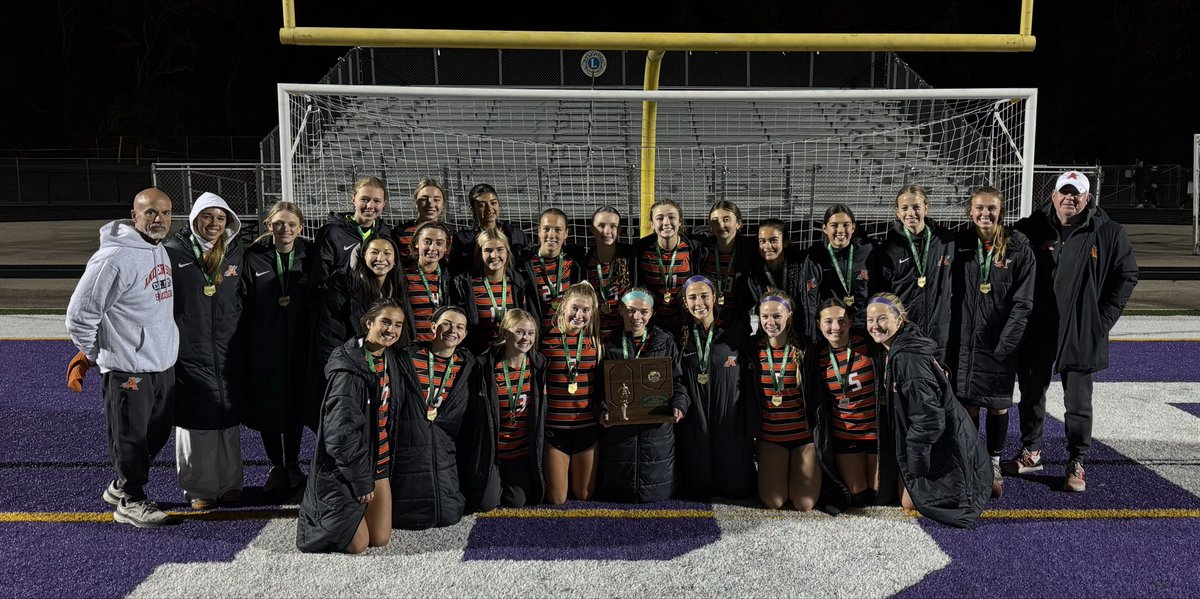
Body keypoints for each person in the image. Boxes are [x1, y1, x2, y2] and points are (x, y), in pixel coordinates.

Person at [1005, 171, 1139, 492]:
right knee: (1032, 393)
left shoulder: (1107, 232)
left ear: (1087, 198)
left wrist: (1101, 321)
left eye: (1076, 194)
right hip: (1038, 327)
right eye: (1064, 192)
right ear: (1053, 195)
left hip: (1080, 330)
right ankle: (1031, 451)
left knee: (1078, 402)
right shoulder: (1030, 229)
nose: (1070, 198)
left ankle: (1076, 461)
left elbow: (1127, 275)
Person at [65, 188, 178, 528]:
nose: (158, 219)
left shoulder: (159, 249)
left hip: (161, 363)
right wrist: (101, 356)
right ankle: (131, 499)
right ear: (135, 216)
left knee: (155, 434)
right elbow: (79, 315)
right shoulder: (112, 258)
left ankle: (120, 485)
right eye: (150, 213)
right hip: (129, 367)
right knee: (130, 436)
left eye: (165, 212)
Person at [865, 293, 992, 528]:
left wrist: (916, 464)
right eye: (870, 320)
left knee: (910, 501)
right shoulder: (900, 345)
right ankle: (980, 477)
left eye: (882, 319)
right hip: (948, 434)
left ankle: (979, 481)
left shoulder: (906, 358)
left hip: (943, 441)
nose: (875, 326)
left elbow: (929, 418)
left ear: (899, 319)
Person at [947, 187, 1035, 498]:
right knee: (969, 402)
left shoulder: (1018, 247)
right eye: (979, 208)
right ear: (970, 212)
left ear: (1002, 211)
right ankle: (973, 460)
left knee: (998, 405)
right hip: (966, 341)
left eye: (992, 208)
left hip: (1000, 341)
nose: (986, 214)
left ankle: (994, 461)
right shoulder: (959, 245)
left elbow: (1024, 302)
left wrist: (1007, 342)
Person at [296, 298, 403, 554]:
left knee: (380, 538)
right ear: (368, 323)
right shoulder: (349, 371)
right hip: (344, 470)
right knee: (358, 545)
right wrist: (360, 480)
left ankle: (352, 516)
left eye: (398, 325)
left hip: (378, 461)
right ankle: (315, 518)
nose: (392, 330)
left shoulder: (389, 359)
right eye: (385, 322)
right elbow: (339, 435)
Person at [163, 192, 245, 510]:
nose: (214, 224)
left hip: (227, 349)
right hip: (189, 349)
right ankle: (199, 488)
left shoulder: (236, 252)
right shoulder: (172, 252)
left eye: (220, 218)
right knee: (196, 421)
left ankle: (229, 483)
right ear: (195, 218)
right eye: (207, 217)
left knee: (227, 419)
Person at [237, 201, 313, 494]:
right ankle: (276, 466)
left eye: (292, 224)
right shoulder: (252, 257)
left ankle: (293, 463)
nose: (285, 229)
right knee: (268, 404)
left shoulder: (309, 255)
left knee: (295, 404)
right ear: (268, 225)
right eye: (279, 223)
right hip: (263, 344)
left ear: (300, 228)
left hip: (298, 343)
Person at [391, 305, 485, 529]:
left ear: (464, 335)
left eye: (460, 327)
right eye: (446, 323)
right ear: (432, 326)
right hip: (409, 445)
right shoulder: (405, 358)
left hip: (444, 449)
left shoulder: (468, 367)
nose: (453, 330)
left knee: (448, 514)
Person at [596, 288, 687, 503]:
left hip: (656, 439)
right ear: (620, 310)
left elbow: (679, 383)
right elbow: (599, 390)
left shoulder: (665, 343)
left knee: (656, 501)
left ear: (652, 312)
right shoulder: (609, 345)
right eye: (631, 311)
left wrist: (679, 405)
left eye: (644, 312)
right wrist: (601, 410)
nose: (637, 317)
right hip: (620, 440)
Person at [307, 236, 407, 431]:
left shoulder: (397, 289)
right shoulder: (340, 288)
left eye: (387, 253)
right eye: (374, 252)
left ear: (395, 261)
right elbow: (329, 339)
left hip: (384, 372)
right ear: (362, 257)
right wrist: (342, 378)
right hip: (353, 375)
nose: (381, 258)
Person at [674, 275, 756, 500]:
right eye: (692, 297)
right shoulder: (680, 336)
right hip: (695, 418)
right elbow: (677, 379)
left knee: (737, 490)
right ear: (684, 302)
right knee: (697, 490)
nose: (698, 302)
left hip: (730, 416)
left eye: (704, 296)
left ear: (716, 298)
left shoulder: (735, 330)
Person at [747, 293, 823, 512]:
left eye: (777, 316)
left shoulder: (805, 348)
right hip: (772, 438)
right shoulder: (753, 350)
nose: (770, 322)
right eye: (765, 316)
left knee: (804, 503)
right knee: (774, 502)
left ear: (789, 316)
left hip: (803, 437)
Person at [475, 309, 548, 510]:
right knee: (486, 504)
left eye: (531, 333)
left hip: (520, 454)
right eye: (520, 332)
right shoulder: (487, 367)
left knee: (517, 502)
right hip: (494, 453)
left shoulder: (538, 366)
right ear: (505, 334)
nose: (526, 338)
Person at [540, 282, 603, 504]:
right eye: (575, 308)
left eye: (586, 310)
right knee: (557, 499)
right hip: (555, 430)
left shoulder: (595, 342)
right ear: (563, 306)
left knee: (584, 495)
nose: (579, 314)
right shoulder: (545, 340)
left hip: (586, 428)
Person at [876, 185, 955, 362]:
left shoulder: (946, 241)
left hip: (941, 333)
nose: (911, 213)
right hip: (905, 332)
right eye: (904, 208)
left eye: (916, 207)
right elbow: (883, 295)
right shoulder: (888, 249)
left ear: (927, 208)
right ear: (897, 212)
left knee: (940, 384)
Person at [815, 298, 881, 508]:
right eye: (828, 321)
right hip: (845, 435)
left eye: (842, 321)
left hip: (875, 432)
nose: (836, 327)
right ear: (819, 324)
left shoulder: (870, 344)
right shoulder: (817, 356)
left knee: (879, 495)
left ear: (851, 322)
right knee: (858, 498)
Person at [448, 228, 536, 355]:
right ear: (479, 254)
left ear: (507, 252)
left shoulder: (520, 284)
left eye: (500, 250)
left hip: (512, 355)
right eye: (488, 250)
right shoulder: (465, 285)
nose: (494, 256)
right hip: (479, 357)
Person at [800, 205, 876, 344]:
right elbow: (811, 299)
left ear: (853, 227)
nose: (840, 230)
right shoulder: (815, 255)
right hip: (833, 330)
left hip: (864, 327)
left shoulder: (869, 250)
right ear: (825, 228)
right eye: (834, 225)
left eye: (845, 225)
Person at [310, 176, 393, 289]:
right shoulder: (332, 231)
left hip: (373, 301)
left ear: (384, 204)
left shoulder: (385, 232)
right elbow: (319, 275)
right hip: (340, 302)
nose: (370, 206)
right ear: (353, 199)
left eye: (377, 201)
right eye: (364, 199)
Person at [633, 199, 698, 331]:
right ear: (652, 224)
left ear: (680, 222)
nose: (666, 222)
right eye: (660, 218)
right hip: (652, 323)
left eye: (671, 217)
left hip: (685, 321)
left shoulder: (694, 249)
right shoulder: (640, 250)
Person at [522, 208, 584, 333]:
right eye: (546, 229)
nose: (551, 235)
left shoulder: (576, 262)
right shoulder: (524, 265)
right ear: (538, 231)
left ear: (566, 233)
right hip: (539, 337)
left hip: (569, 334)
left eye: (558, 230)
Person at [452, 183, 531, 269]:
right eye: (481, 205)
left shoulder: (514, 234)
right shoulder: (463, 238)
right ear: (472, 209)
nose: (489, 209)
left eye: (493, 203)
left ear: (499, 205)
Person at [584, 206, 635, 338]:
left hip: (624, 336)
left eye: (613, 226)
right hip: (593, 335)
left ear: (619, 230)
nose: (607, 231)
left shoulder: (631, 260)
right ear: (592, 230)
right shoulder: (583, 263)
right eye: (601, 225)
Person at [699, 201, 755, 316]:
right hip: (707, 319)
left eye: (726, 219)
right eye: (715, 221)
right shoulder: (702, 250)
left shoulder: (750, 251)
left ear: (738, 223)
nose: (721, 225)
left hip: (737, 321)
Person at [403, 221, 456, 342]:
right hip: (412, 347)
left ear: (446, 247)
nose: (433, 248)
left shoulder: (453, 279)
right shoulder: (403, 276)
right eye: (427, 242)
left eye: (439, 243)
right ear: (416, 243)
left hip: (442, 347)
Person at [746, 218, 805, 315]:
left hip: (798, 325)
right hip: (770, 326)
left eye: (773, 240)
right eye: (762, 241)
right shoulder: (754, 273)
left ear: (785, 242)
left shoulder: (800, 267)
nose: (767, 246)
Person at [394, 177, 447, 266]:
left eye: (436, 200)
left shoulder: (450, 233)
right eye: (424, 199)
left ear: (443, 204)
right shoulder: (400, 233)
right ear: (415, 202)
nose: (431, 204)